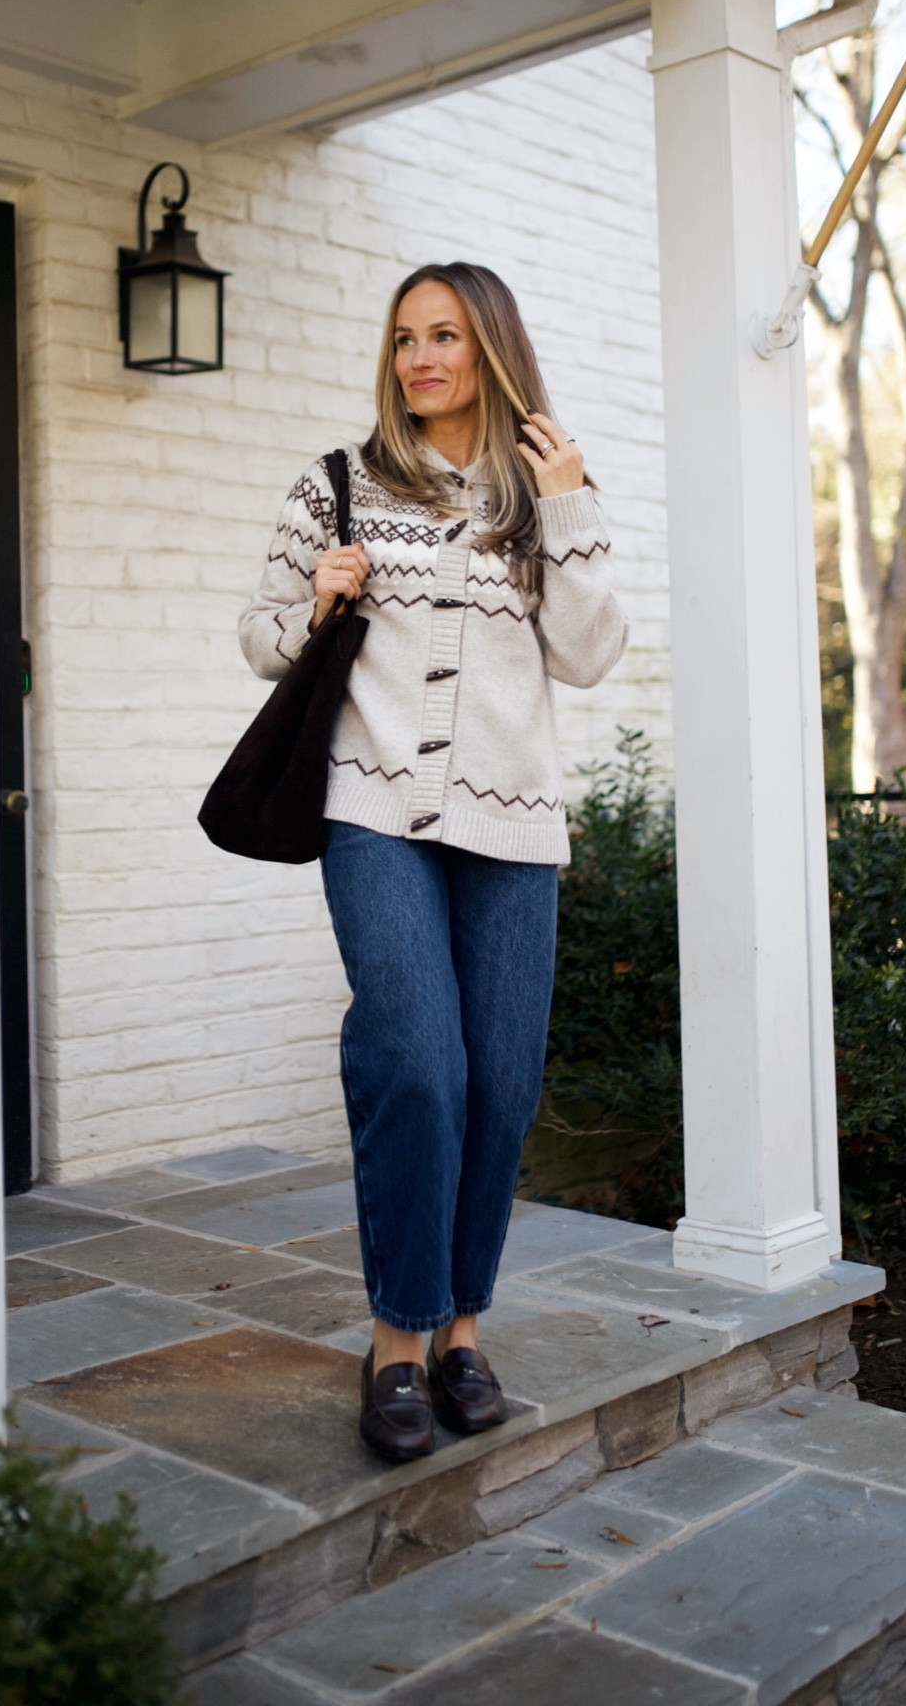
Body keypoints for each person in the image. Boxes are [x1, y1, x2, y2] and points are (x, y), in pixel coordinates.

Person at [239, 262, 628, 1461]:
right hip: (372, 815)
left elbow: (591, 651)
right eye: (405, 336)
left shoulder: (545, 492)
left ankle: (463, 1325)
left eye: (445, 335)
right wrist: (316, 596)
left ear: (488, 348)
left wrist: (566, 506)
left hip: (510, 829)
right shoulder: (338, 486)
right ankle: (397, 1338)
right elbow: (258, 639)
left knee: (499, 1084)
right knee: (416, 1060)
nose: (419, 357)